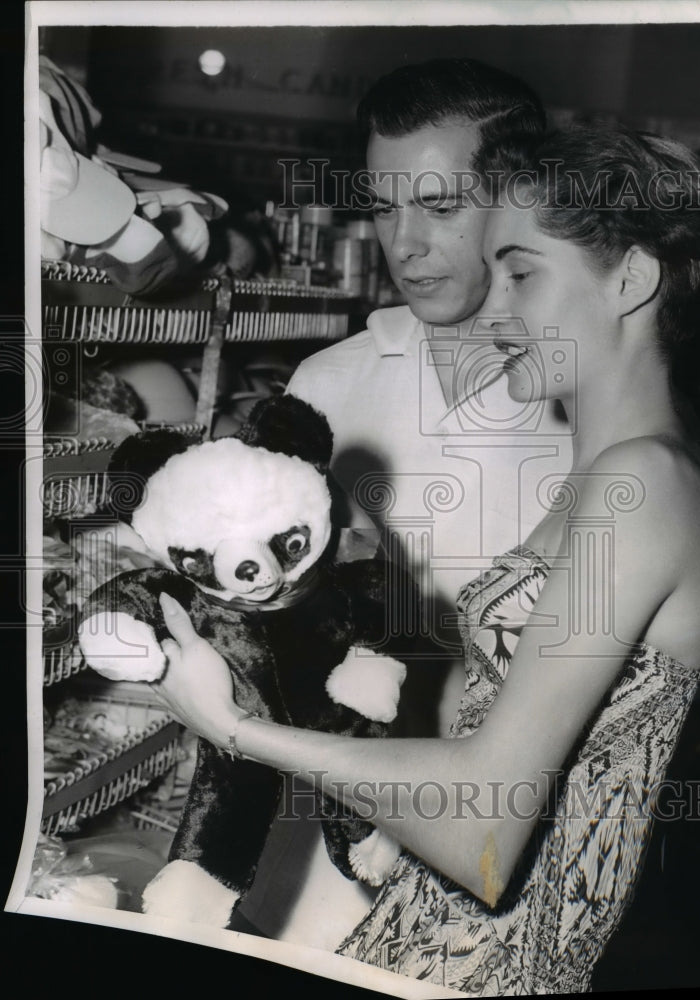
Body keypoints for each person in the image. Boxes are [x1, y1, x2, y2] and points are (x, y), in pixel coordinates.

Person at [149, 121, 700, 995]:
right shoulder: (622, 468)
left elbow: (483, 837)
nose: (494, 309)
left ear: (632, 279)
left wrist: (236, 728)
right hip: (430, 939)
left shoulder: (644, 482)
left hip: (484, 965)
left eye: (523, 272)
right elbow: (493, 718)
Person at [231, 59, 573, 946]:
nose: (405, 243)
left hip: (495, 868)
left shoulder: (585, 406)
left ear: (516, 201)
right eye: (385, 207)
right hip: (317, 855)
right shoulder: (326, 387)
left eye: (439, 206)